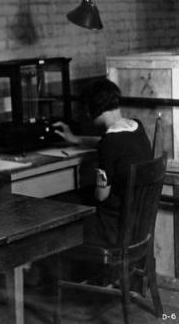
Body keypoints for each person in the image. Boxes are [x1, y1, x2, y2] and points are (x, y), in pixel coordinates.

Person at [53, 78, 152, 246]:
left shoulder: (110, 143)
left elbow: (101, 196)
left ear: (93, 110)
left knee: (61, 222)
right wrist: (76, 139)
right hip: (138, 226)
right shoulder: (137, 128)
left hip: (112, 230)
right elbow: (107, 141)